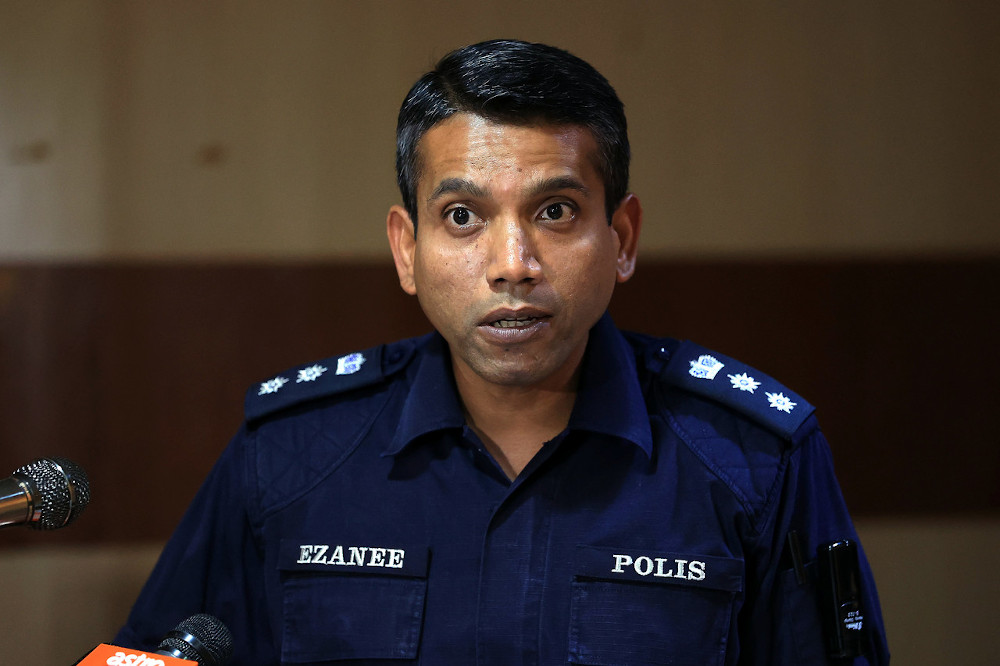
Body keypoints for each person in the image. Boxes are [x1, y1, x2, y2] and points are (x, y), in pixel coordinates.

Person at [115, 39, 889, 665]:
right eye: (461, 216)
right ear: (405, 248)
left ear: (620, 240)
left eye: (555, 211)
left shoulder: (754, 458)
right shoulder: (288, 452)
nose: (512, 261)